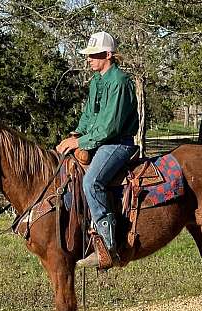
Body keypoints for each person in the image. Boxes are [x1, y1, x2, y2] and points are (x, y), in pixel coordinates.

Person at [56, 31, 139, 268]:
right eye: (89, 55)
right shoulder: (96, 82)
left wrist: (80, 143)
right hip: (98, 141)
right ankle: (80, 233)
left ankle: (109, 245)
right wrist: (74, 135)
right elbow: (88, 117)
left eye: (94, 54)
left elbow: (109, 126)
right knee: (67, 173)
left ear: (109, 55)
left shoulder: (120, 81)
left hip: (117, 143)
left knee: (92, 182)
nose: (89, 59)